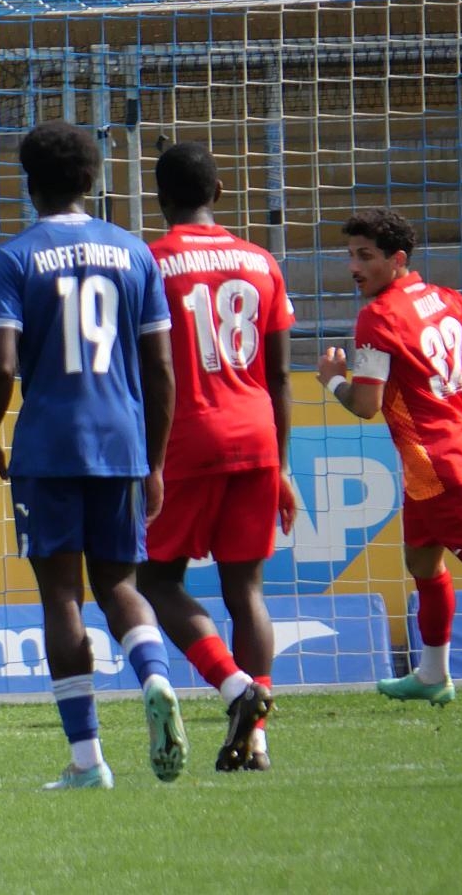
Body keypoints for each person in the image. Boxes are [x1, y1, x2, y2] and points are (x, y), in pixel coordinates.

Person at [0, 119, 187, 790]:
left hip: (49, 447)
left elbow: (3, 363)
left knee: (61, 598)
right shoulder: (136, 254)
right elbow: (160, 368)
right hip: (122, 442)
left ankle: (88, 760)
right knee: (119, 585)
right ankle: (155, 676)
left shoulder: (14, 259)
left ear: (29, 183)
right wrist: (154, 459)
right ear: (93, 181)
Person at [136, 143, 293, 772]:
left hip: (186, 438)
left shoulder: (151, 262)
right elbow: (281, 375)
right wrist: (282, 466)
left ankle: (235, 685)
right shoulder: (261, 261)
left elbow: (146, 365)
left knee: (154, 579)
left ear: (159, 199)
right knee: (245, 587)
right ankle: (257, 738)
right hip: (257, 433)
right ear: (220, 192)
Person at [317, 207, 462, 707]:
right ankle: (432, 674)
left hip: (437, 465)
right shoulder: (445, 298)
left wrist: (333, 379)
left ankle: (432, 673)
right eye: (350, 256)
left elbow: (364, 405)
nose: (354, 267)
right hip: (445, 456)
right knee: (422, 563)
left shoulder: (376, 318)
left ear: (397, 259)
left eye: (365, 257)